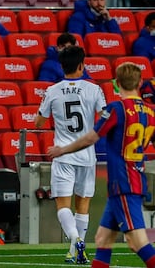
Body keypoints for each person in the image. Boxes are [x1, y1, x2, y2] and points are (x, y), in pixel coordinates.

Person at [48, 62, 155, 268]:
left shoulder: (117, 108)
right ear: (140, 83)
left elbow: (91, 138)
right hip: (128, 182)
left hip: (124, 183)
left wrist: (62, 149)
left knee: (137, 242)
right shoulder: (151, 112)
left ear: (116, 84)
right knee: (102, 240)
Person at [34, 46, 107, 264]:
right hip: (86, 154)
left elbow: (38, 122)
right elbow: (104, 117)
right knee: (82, 205)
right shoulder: (94, 89)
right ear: (82, 65)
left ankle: (75, 242)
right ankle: (77, 248)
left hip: (63, 154)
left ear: (61, 66)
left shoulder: (52, 90)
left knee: (62, 205)